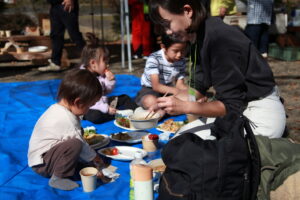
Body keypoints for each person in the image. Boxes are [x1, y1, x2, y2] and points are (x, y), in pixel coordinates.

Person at [149, 0, 286, 138]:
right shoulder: (195, 37)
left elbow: (231, 106)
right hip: (238, 110)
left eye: (167, 24)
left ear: (188, 11)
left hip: (260, 111)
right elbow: (196, 88)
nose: (167, 31)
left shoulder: (219, 37)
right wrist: (166, 104)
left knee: (190, 152)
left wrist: (185, 106)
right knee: (178, 140)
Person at [28, 69, 106, 191]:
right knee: (75, 143)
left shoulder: (60, 109)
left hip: (47, 157)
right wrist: (94, 157)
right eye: (89, 105)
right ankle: (58, 177)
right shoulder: (66, 118)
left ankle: (68, 167)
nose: (89, 109)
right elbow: (79, 142)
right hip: (42, 164)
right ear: (78, 102)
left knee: (76, 139)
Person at [80, 33, 138, 124]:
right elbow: (91, 101)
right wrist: (106, 109)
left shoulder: (99, 73)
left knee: (125, 98)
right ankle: (117, 114)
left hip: (103, 103)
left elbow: (105, 91)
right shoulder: (84, 78)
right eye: (104, 61)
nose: (107, 65)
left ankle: (138, 112)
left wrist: (110, 81)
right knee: (95, 116)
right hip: (89, 107)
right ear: (93, 63)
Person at [135, 33, 189, 115]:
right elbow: (156, 86)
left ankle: (161, 110)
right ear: (163, 47)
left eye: (182, 50)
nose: (179, 55)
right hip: (150, 89)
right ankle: (166, 109)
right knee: (150, 100)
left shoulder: (181, 60)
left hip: (168, 90)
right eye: (175, 51)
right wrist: (177, 91)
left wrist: (192, 93)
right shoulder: (154, 58)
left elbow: (180, 85)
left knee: (191, 97)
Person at [38, 0, 86, 71]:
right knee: (55, 35)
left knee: (74, 34)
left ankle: (88, 61)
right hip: (55, 5)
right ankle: (55, 63)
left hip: (66, 4)